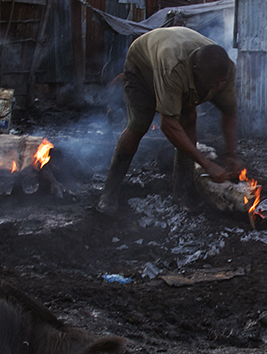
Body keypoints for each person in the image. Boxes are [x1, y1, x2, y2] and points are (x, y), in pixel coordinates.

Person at [97, 26, 245, 214]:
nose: (217, 87)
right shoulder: (175, 70)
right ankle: (109, 193)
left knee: (190, 119)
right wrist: (206, 164)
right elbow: (168, 125)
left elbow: (229, 112)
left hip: (177, 57)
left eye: (220, 83)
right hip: (143, 66)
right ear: (196, 72)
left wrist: (231, 154)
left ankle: (182, 193)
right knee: (139, 125)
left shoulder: (225, 69)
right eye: (212, 83)